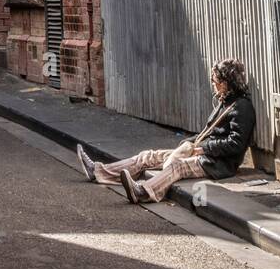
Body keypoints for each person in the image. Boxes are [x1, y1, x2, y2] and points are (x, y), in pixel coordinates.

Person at [76, 58, 256, 204]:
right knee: (148, 156)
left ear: (226, 83)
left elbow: (236, 144)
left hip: (218, 163)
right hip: (204, 153)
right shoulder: (225, 102)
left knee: (178, 167)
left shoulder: (242, 107)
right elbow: (207, 133)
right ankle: (99, 172)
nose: (213, 85)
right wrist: (187, 144)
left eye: (215, 81)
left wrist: (203, 149)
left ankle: (143, 192)